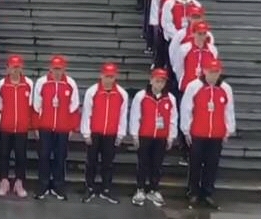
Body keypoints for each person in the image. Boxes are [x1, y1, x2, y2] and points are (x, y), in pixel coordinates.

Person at [180, 58, 236, 210]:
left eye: (216, 72)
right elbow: (186, 108)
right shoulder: (194, 86)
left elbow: (228, 110)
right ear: (204, 71)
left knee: (212, 164)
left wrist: (229, 129)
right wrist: (186, 130)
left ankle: (208, 192)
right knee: (195, 163)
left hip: (216, 133)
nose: (213, 75)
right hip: (198, 132)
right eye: (211, 72)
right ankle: (193, 192)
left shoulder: (225, 88)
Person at [31, 55, 79, 200]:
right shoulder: (41, 82)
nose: (57, 72)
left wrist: (72, 127)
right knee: (44, 156)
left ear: (64, 69)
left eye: (60, 69)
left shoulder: (70, 83)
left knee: (60, 157)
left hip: (63, 128)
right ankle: (43, 185)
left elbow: (74, 107)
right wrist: (36, 126)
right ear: (50, 68)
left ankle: (58, 186)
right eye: (55, 69)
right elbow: (35, 105)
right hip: (45, 126)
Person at [79, 63, 129, 204]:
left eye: (111, 77)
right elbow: (87, 113)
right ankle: (89, 187)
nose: (108, 79)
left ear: (115, 77)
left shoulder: (121, 94)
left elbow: (122, 115)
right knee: (91, 162)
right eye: (106, 76)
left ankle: (106, 189)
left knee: (108, 163)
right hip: (95, 132)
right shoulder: (92, 91)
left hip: (111, 133)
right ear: (101, 75)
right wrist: (86, 133)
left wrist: (120, 134)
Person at [129, 68, 177, 207]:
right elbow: (135, 116)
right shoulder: (142, 96)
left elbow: (173, 118)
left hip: (161, 136)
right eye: (157, 81)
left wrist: (171, 136)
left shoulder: (170, 98)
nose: (159, 84)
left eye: (162, 82)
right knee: (143, 163)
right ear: (151, 81)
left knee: (157, 164)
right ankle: (140, 188)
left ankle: (154, 188)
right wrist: (135, 134)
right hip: (145, 134)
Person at [0, 55, 33, 197]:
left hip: (21, 128)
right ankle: (3, 181)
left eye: (18, 67)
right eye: (13, 67)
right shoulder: (2, 84)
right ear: (8, 68)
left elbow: (30, 105)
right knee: (4, 154)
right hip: (6, 126)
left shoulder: (28, 84)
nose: (15, 70)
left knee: (21, 156)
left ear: (21, 68)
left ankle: (19, 182)